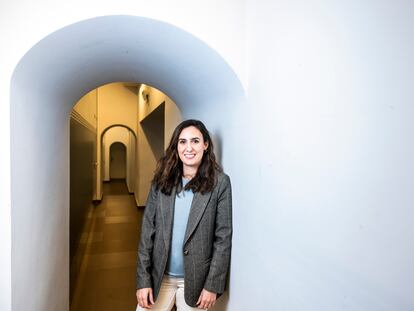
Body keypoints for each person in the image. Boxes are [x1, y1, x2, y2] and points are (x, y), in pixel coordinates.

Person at [136, 119, 232, 311]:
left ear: (205, 145)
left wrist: (212, 285)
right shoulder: (161, 180)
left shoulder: (220, 183)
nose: (189, 148)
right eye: (182, 142)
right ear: (176, 146)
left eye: (195, 141)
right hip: (159, 277)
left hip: (196, 280)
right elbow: (147, 232)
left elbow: (223, 238)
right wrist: (143, 280)